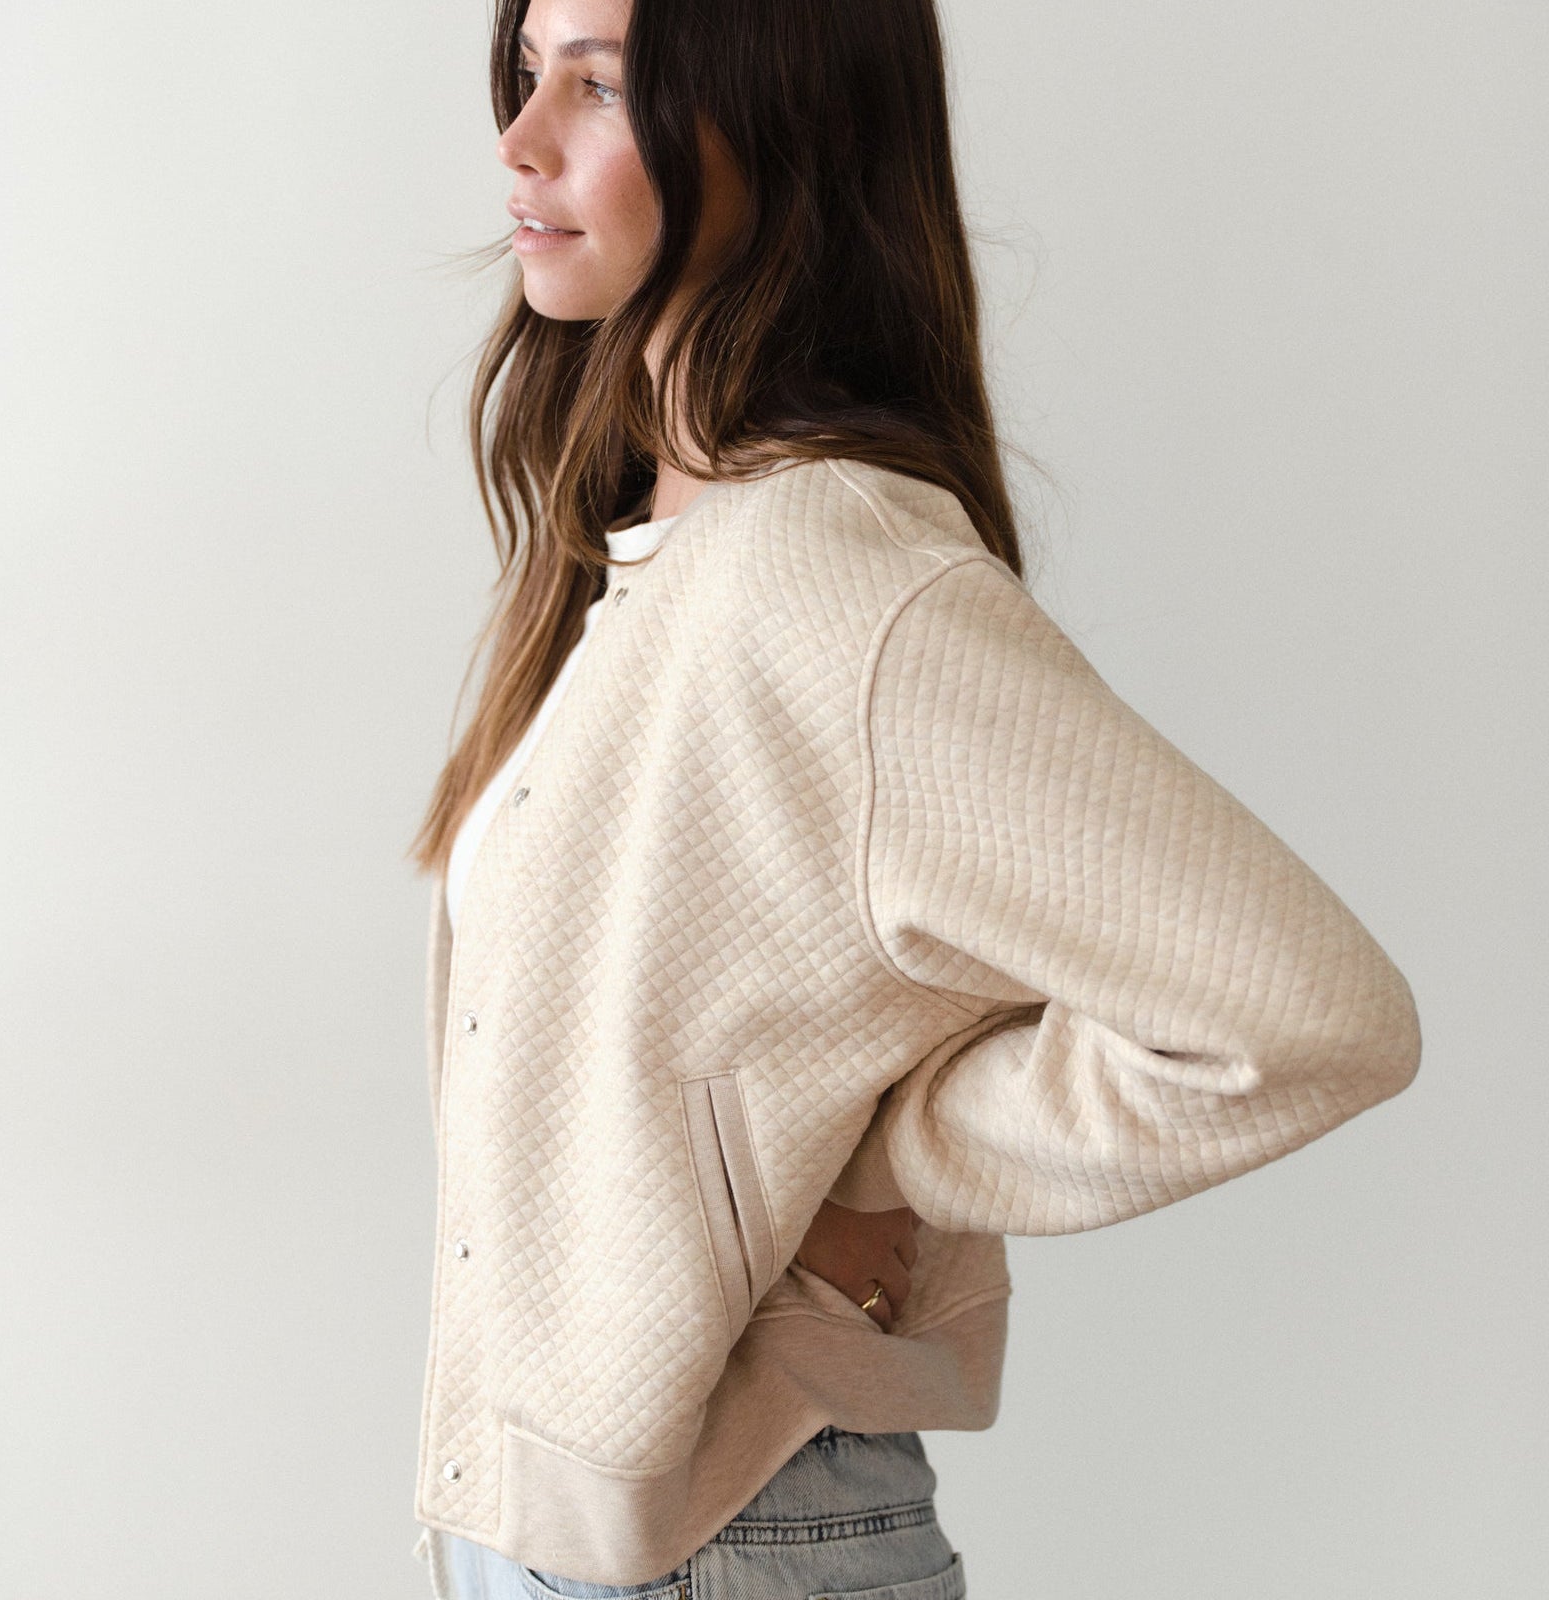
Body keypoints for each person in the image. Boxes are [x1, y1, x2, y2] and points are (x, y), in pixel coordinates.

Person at [404, 1, 1423, 1596]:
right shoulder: (655, 555)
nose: (521, 141)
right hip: (560, 1536)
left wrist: (898, 1159)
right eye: (529, 73)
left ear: (777, 123)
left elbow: (1309, 1017)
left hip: (721, 1539)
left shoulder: (837, 583)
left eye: (600, 86)